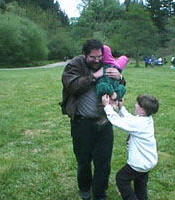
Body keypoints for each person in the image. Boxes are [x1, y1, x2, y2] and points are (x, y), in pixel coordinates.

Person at [61, 39, 126, 200]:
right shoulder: (74, 65)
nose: (97, 60)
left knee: (103, 161)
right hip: (82, 122)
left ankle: (99, 192)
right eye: (93, 57)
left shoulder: (106, 61)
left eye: (99, 57)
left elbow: (118, 85)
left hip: (104, 122)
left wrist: (120, 76)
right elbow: (73, 87)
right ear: (84, 55)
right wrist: (95, 75)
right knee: (83, 160)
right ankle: (84, 188)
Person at [102, 94, 159, 200]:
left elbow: (117, 121)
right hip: (148, 161)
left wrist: (107, 106)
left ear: (142, 110)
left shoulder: (139, 123)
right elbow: (131, 119)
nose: (135, 105)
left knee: (121, 178)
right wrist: (122, 108)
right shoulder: (146, 119)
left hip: (139, 163)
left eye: (137, 104)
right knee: (140, 184)